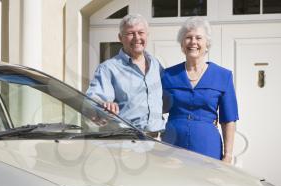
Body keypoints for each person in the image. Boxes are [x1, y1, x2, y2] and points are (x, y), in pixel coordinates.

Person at [161, 17, 239, 163]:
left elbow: (228, 119)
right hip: (172, 145)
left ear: (207, 44)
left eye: (198, 38)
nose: (193, 42)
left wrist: (228, 155)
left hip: (207, 145)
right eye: (188, 37)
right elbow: (154, 110)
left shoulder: (223, 76)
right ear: (182, 44)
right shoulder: (168, 75)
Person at [86, 14, 165, 137]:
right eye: (130, 33)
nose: (137, 38)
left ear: (147, 35)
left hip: (157, 140)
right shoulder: (108, 68)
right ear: (120, 37)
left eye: (141, 32)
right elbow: (92, 100)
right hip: (126, 141)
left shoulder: (156, 65)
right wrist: (104, 105)